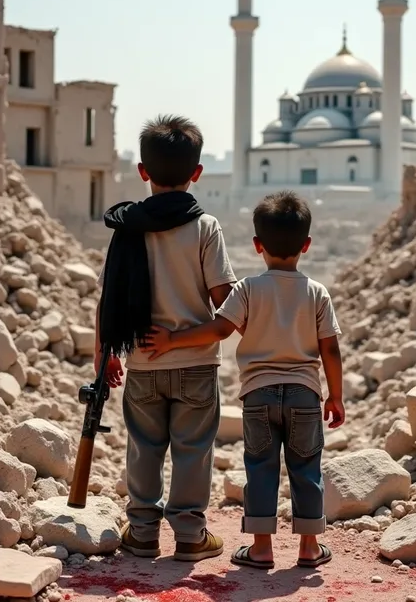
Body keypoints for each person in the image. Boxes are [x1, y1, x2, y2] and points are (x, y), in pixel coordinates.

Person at [141, 190, 345, 570]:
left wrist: (172, 339)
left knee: (261, 467)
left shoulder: (248, 289)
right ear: (307, 244)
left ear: (256, 245)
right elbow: (330, 350)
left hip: (258, 395)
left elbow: (219, 329)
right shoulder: (317, 292)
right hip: (304, 394)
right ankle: (309, 547)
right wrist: (335, 396)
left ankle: (262, 548)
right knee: (306, 469)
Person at [95, 114, 236, 562]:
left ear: (142, 171)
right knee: (194, 450)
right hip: (196, 362)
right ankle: (191, 536)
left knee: (144, 449)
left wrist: (105, 355)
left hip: (141, 363)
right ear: (197, 173)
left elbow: (109, 298)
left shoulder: (127, 226)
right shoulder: (205, 226)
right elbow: (225, 300)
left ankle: (142, 533)